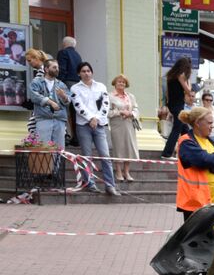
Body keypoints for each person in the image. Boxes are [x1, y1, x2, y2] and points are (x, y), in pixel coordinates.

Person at [175, 106, 214, 219]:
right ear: (198, 123)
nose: (212, 126)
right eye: (209, 123)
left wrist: (213, 166)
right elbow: (203, 160)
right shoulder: (186, 142)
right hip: (196, 205)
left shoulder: (213, 141)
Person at [70, 62, 119, 195]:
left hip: (99, 125)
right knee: (87, 156)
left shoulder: (101, 86)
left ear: (92, 72)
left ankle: (110, 185)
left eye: (88, 71)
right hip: (83, 125)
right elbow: (78, 106)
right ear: (79, 73)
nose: (86, 73)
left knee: (105, 155)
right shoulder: (75, 88)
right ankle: (90, 183)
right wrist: (90, 118)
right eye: (83, 71)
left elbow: (105, 104)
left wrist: (96, 118)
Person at [28, 55, 68, 150]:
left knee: (59, 150)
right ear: (46, 69)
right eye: (54, 67)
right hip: (43, 118)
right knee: (43, 149)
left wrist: (64, 97)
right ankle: (47, 166)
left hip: (59, 119)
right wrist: (49, 102)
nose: (57, 69)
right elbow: (34, 96)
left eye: (57, 67)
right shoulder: (36, 82)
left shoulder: (61, 84)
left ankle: (57, 166)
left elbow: (68, 100)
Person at [108, 74, 141, 184]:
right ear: (115, 83)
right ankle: (118, 172)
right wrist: (120, 112)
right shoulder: (110, 96)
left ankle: (127, 172)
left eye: (123, 82)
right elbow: (107, 112)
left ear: (126, 84)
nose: (121, 83)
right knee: (119, 148)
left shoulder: (131, 96)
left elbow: (136, 109)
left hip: (129, 124)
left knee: (129, 148)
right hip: (117, 124)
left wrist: (131, 113)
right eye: (119, 81)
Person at [161, 56, 194, 157]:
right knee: (177, 129)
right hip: (178, 105)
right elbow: (188, 91)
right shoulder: (181, 76)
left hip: (172, 104)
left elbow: (167, 93)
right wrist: (188, 80)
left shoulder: (171, 75)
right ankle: (166, 154)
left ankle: (190, 152)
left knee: (186, 131)